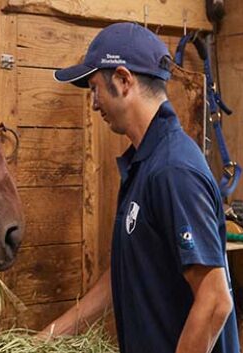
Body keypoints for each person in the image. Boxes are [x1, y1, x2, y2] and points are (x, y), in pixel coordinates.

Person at [37, 22, 240, 353]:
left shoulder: (172, 170)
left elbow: (216, 301)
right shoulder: (145, 163)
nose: (94, 103)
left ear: (123, 79)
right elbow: (127, 272)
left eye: (94, 88)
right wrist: (50, 335)